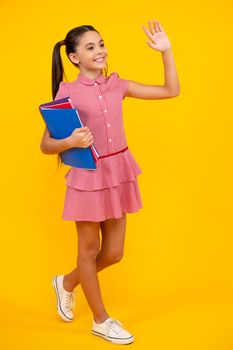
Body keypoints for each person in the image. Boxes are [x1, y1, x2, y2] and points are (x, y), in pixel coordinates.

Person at [40, 20, 180, 345]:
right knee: (88, 252)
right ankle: (101, 321)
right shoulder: (68, 92)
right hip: (88, 178)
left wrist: (166, 52)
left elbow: (171, 90)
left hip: (118, 172)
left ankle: (65, 283)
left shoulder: (118, 85)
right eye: (90, 47)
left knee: (114, 253)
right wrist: (70, 141)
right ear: (74, 57)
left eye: (101, 44)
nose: (100, 51)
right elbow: (46, 145)